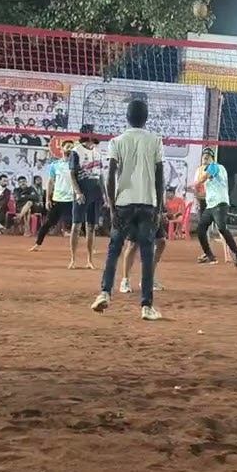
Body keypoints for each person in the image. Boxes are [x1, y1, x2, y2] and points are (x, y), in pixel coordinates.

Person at [90, 100, 164, 320]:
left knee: (114, 250)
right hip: (147, 204)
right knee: (147, 254)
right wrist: (159, 207)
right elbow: (160, 176)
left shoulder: (117, 141)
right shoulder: (155, 141)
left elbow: (110, 173)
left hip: (123, 203)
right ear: (146, 117)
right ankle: (146, 306)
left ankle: (105, 292)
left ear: (127, 117)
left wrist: (111, 206)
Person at [118, 187, 183, 293]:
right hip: (136, 210)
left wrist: (163, 212)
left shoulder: (156, 174)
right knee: (133, 244)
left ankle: (148, 279)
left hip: (154, 212)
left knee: (161, 242)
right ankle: (125, 281)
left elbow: (158, 192)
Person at [193, 151, 237, 266]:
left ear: (212, 159)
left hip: (220, 204)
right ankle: (209, 255)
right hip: (211, 205)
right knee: (201, 229)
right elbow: (209, 190)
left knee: (221, 228)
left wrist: (194, 184)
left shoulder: (216, 167)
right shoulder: (207, 170)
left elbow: (205, 178)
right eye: (203, 157)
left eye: (207, 157)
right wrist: (196, 193)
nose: (204, 159)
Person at [66, 128, 104, 269]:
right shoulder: (76, 151)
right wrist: (78, 192)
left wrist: (104, 194)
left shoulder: (97, 151)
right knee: (76, 226)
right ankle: (73, 259)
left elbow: (101, 176)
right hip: (82, 191)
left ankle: (89, 259)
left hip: (95, 192)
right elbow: (72, 174)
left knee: (91, 227)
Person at [30, 139, 76, 250]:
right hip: (58, 199)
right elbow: (50, 182)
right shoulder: (55, 165)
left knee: (80, 224)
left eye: (72, 147)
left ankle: (86, 248)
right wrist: (47, 199)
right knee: (48, 223)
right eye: (67, 147)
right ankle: (38, 244)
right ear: (62, 149)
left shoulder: (76, 165)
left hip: (72, 199)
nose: (69, 149)